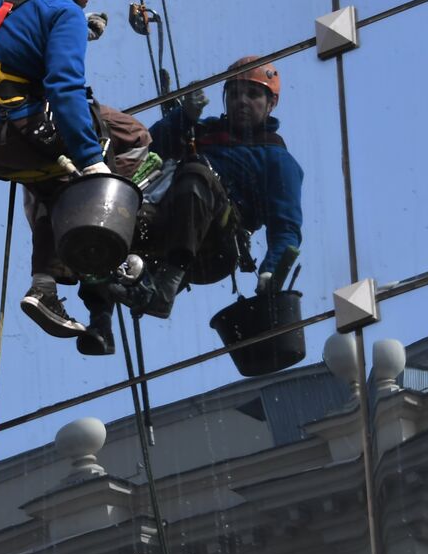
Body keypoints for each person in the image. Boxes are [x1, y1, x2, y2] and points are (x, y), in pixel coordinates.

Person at [0, 0, 155, 340]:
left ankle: (45, 287)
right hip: (20, 131)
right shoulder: (65, 13)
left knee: (50, 184)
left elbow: (5, 44)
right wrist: (93, 163)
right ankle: (101, 252)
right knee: (105, 151)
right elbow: (64, 89)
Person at [75, 57, 304, 355]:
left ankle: (167, 285)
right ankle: (100, 320)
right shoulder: (203, 130)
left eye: (252, 94)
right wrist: (184, 116)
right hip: (167, 218)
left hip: (215, 240)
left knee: (196, 172)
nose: (241, 102)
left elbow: (285, 226)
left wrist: (271, 270)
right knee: (104, 217)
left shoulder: (276, 160)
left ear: (271, 103)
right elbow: (150, 146)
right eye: (234, 94)